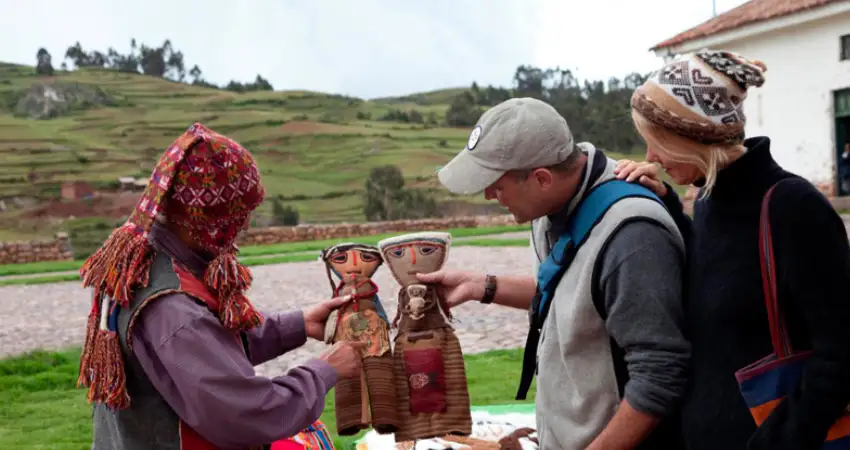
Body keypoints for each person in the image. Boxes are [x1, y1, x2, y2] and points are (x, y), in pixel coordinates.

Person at [419, 97, 691, 449]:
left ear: (541, 178)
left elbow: (660, 373)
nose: (488, 195)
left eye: (496, 185)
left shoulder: (633, 237)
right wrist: (481, 286)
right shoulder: (553, 209)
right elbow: (573, 297)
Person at [614, 49, 850, 450]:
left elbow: (841, 352)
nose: (650, 157)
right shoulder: (709, 202)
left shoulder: (792, 205)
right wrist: (668, 203)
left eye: (658, 142)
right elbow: (720, 278)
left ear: (696, 136)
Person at [77, 123, 363, 449]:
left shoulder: (140, 261)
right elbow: (250, 414)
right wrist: (324, 371)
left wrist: (299, 324)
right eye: (239, 215)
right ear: (210, 220)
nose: (244, 226)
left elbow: (209, 348)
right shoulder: (172, 309)